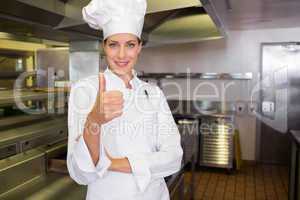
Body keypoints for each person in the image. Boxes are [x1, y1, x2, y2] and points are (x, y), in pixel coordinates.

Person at [67, 0, 183, 199]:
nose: (122, 54)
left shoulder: (153, 93)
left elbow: (173, 158)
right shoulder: (85, 90)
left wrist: (109, 163)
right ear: (104, 47)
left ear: (139, 47)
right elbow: (81, 173)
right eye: (114, 45)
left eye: (130, 45)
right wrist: (93, 121)